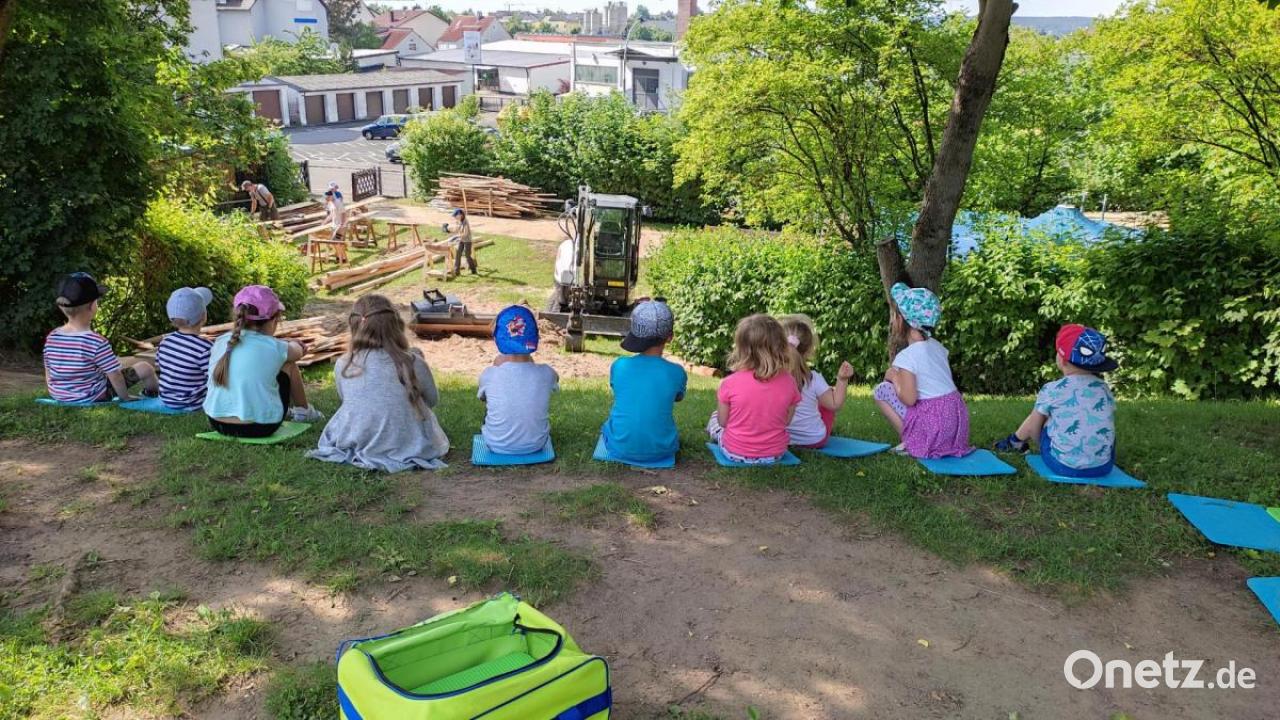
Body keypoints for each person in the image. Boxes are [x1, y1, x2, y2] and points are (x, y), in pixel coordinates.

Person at [308, 295, 450, 472]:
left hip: (356, 436)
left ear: (355, 326)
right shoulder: (413, 362)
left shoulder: (343, 364)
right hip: (407, 442)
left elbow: (345, 398)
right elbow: (432, 400)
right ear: (396, 325)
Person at [994, 324, 1118, 477]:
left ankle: (1015, 441)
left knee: (1042, 416)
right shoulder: (1104, 388)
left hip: (1063, 466)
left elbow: (1034, 429)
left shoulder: (1052, 389)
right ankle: (1015, 440)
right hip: (1103, 468)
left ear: (1063, 359)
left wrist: (1044, 447)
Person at [202, 285, 323, 438]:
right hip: (261, 427)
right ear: (273, 320)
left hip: (217, 423)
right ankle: (304, 412)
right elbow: (298, 351)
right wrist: (291, 342)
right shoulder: (275, 348)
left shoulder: (221, 342)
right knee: (289, 363)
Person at [873, 283, 972, 459]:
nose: (893, 320)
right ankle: (925, 440)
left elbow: (909, 399)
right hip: (956, 421)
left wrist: (895, 377)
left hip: (935, 424)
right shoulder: (938, 347)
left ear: (905, 322)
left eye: (895, 316)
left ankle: (909, 442)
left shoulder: (907, 357)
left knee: (881, 391)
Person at [43, 272, 158, 403]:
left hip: (59, 394)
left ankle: (63, 393)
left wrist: (58, 392)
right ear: (92, 306)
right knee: (145, 367)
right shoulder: (96, 342)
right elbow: (115, 375)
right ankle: (151, 394)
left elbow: (48, 369)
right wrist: (125, 397)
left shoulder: (52, 337)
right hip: (94, 395)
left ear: (61, 307)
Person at [706, 314, 802, 464]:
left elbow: (723, 422)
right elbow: (786, 422)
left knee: (714, 419)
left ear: (741, 348)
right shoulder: (790, 382)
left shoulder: (729, 382)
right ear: (781, 345)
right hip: (775, 454)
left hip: (735, 452)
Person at [601, 299, 688, 462]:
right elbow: (678, 397)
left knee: (608, 425)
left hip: (620, 448)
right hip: (663, 450)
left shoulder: (619, 366)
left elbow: (618, 390)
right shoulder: (677, 372)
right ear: (670, 337)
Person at [478, 305, 559, 454]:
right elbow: (555, 380)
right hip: (536, 445)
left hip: (496, 445)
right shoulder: (546, 373)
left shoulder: (489, 375)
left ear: (497, 338)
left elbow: (484, 398)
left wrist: (497, 364)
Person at [779, 314, 855, 449]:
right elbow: (835, 404)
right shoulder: (813, 378)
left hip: (781, 438)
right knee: (828, 395)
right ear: (809, 350)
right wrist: (842, 380)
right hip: (813, 440)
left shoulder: (771, 377)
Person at [156, 286, 214, 411]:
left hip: (166, 399)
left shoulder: (165, 342)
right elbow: (216, 377)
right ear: (203, 316)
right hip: (193, 402)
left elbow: (160, 365)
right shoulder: (205, 348)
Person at [443, 208, 476, 276]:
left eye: (455, 216)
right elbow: (456, 229)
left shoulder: (465, 222)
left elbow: (466, 233)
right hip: (461, 240)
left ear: (460, 215)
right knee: (458, 255)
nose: (455, 218)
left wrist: (458, 236)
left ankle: (473, 269)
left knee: (467, 255)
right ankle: (456, 271)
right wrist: (448, 230)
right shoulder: (459, 221)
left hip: (467, 241)